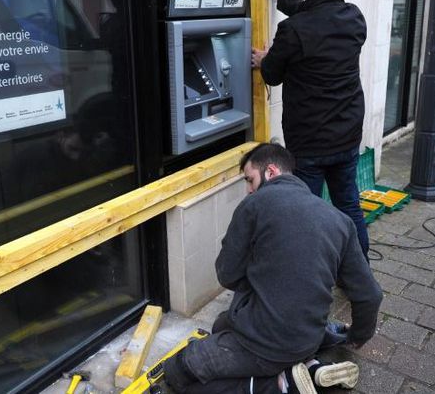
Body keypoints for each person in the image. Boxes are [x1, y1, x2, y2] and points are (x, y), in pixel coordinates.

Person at [163, 143, 383, 394]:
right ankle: (311, 366)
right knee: (221, 325)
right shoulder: (341, 221)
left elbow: (227, 274)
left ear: (271, 172)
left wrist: (259, 272)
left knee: (177, 372)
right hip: (307, 339)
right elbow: (370, 295)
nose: (248, 190)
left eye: (249, 180)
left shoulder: (255, 204)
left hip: (264, 343)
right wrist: (357, 336)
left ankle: (281, 383)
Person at [250, 0, 370, 257]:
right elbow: (316, 14)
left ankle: (308, 280)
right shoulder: (354, 19)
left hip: (309, 143)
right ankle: (358, 274)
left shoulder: (293, 30)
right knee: (348, 205)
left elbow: (273, 75)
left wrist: (265, 59)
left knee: (307, 214)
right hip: (347, 134)